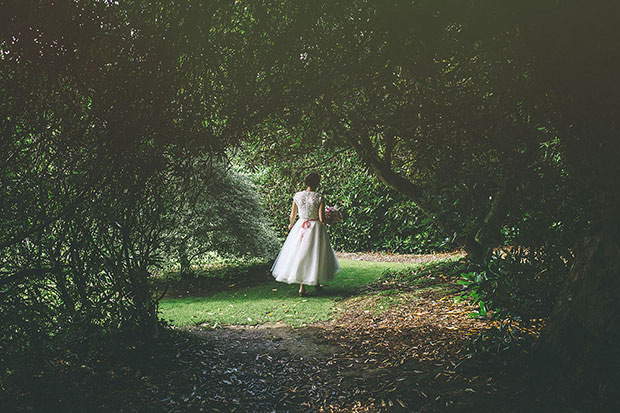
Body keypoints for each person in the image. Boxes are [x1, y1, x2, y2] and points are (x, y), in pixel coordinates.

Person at [271, 172, 340, 296]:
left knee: (300, 254)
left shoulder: (297, 196)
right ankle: (316, 283)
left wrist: (291, 224)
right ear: (317, 183)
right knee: (316, 254)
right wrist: (330, 220)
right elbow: (321, 218)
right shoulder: (319, 197)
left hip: (300, 226)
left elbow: (293, 214)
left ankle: (302, 287)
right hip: (315, 228)